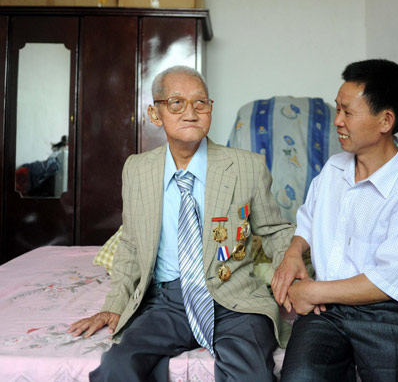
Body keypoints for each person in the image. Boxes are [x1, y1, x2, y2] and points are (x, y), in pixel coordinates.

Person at [68, 65, 294, 382]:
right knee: (117, 368)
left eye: (200, 103)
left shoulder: (246, 166)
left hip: (235, 299)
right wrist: (115, 304)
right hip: (166, 302)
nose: (191, 112)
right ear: (155, 113)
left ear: (210, 109)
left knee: (251, 375)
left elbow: (274, 231)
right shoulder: (137, 169)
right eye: (176, 103)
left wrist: (295, 280)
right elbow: (131, 244)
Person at [271, 59, 398, 382]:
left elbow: (388, 282)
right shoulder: (333, 170)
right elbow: (307, 219)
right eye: (337, 109)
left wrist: (313, 291)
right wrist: (294, 252)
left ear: (385, 121)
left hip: (389, 314)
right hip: (327, 314)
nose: (337, 121)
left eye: (347, 112)